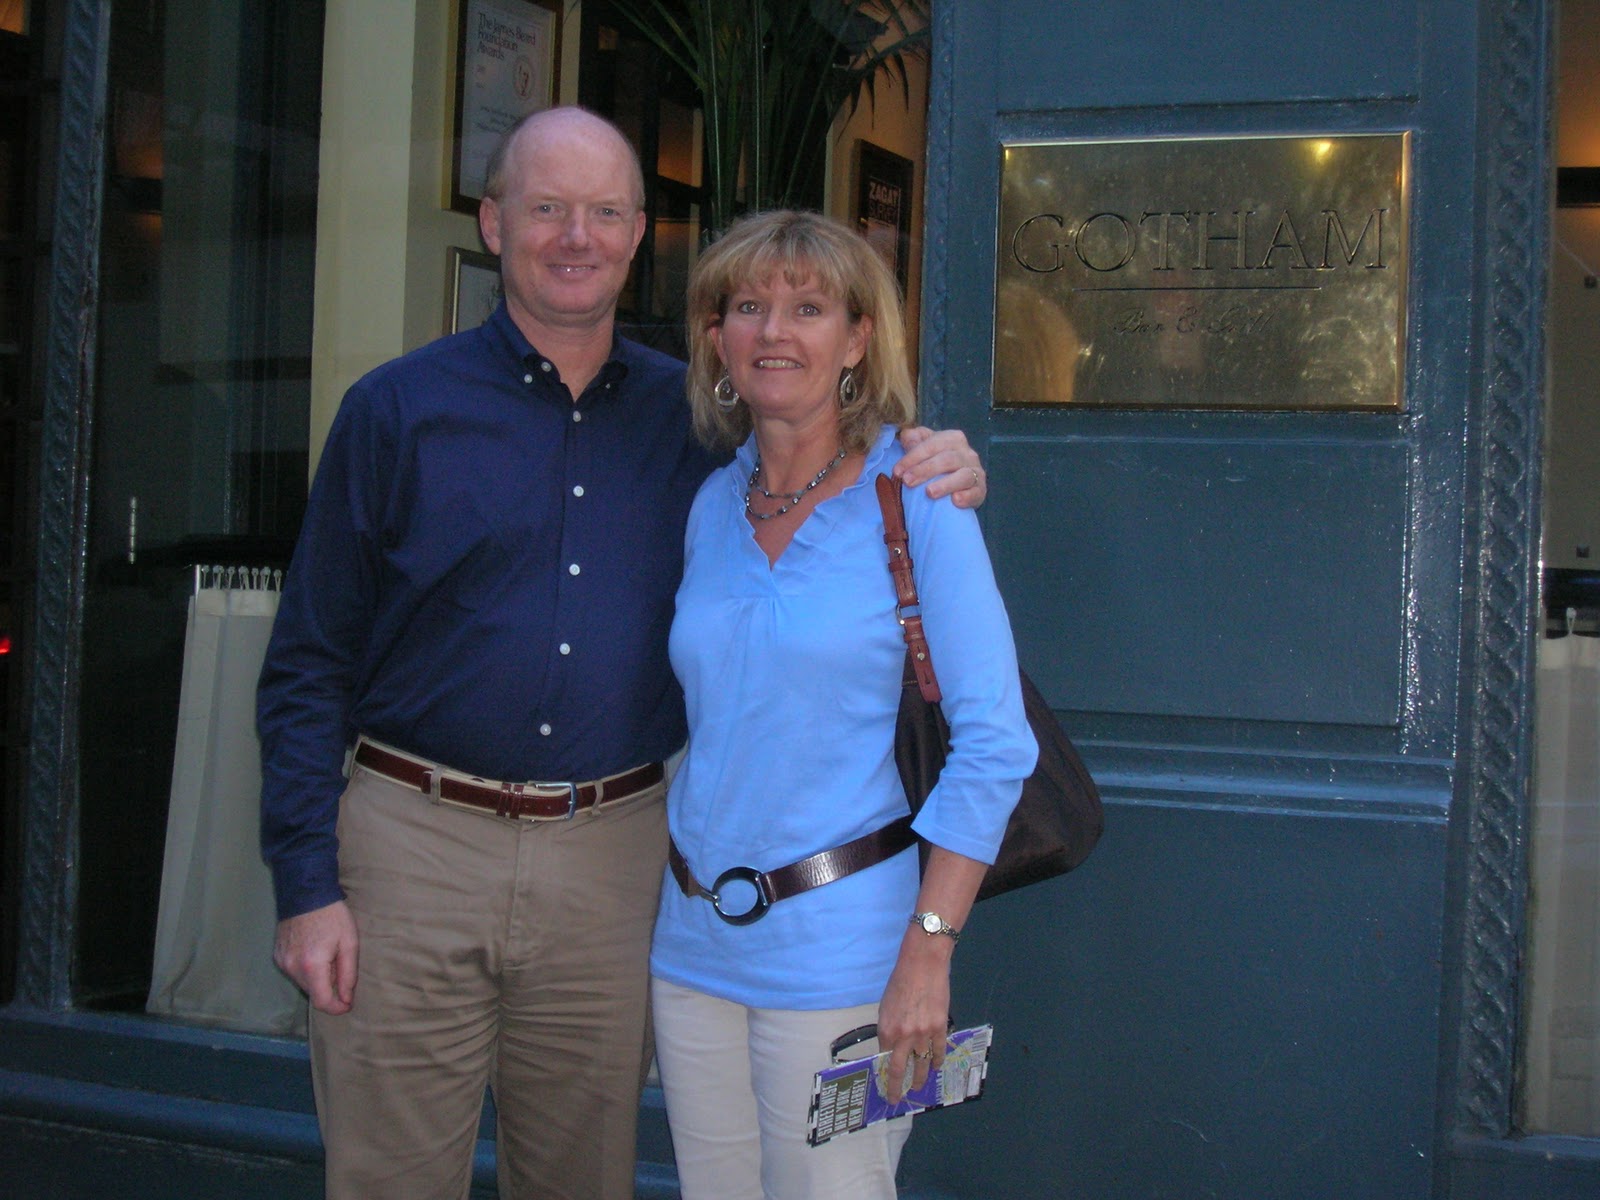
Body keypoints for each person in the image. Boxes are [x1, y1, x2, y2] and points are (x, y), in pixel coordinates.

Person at [256, 106, 987, 1200]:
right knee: (390, 1179)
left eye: (603, 212)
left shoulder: (701, 430)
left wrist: (938, 461)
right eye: (546, 208)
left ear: (640, 233)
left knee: (583, 1179)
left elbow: (832, 464)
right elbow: (307, 662)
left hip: (615, 861)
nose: (574, 235)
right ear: (495, 221)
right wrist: (305, 882)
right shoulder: (395, 412)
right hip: (413, 851)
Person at [649, 209, 1037, 1199]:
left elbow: (993, 744)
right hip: (691, 949)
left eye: (808, 308)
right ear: (717, 339)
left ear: (857, 340)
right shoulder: (711, 505)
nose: (775, 331)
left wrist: (928, 955)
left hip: (847, 963)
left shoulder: (917, 501)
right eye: (748, 307)